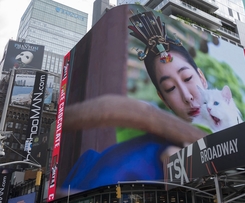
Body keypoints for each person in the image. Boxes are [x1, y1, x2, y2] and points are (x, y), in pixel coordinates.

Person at [60, 9, 208, 194]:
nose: (187, 96)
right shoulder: (151, 129)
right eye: (170, 88)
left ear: (201, 77)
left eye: (187, 78)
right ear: (163, 97)